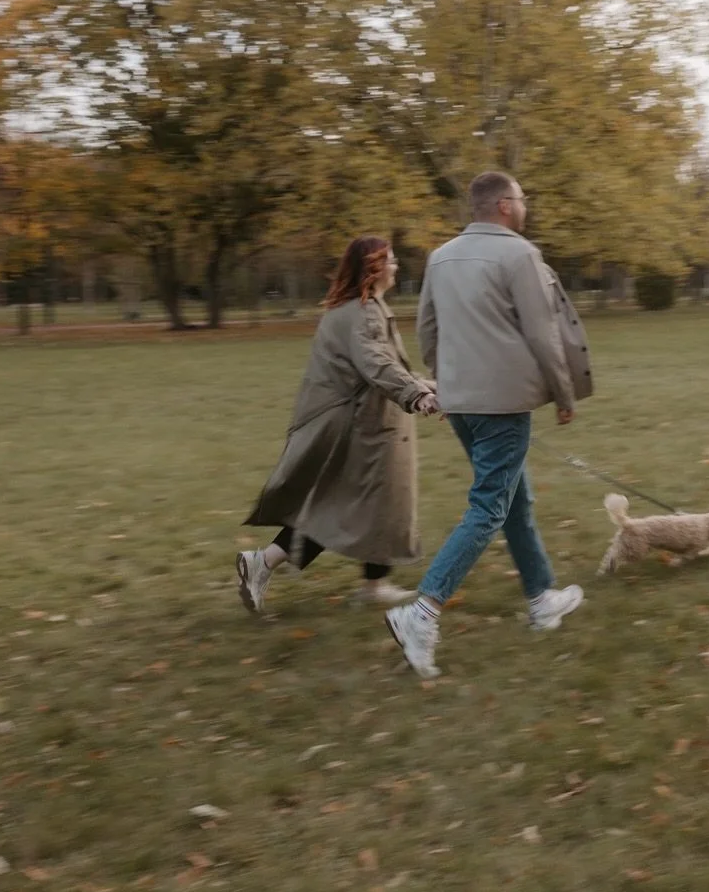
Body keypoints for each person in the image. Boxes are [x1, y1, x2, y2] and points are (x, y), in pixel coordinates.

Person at [385, 171, 593, 678]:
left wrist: (445, 383)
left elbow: (427, 329)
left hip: (460, 401)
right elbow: (543, 336)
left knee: (514, 498)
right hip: (502, 402)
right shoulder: (520, 255)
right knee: (489, 508)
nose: (524, 207)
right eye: (521, 199)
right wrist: (564, 395)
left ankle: (542, 596)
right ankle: (423, 613)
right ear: (503, 205)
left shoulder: (439, 257)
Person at [237, 236, 440, 614]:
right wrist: (417, 395)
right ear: (374, 267)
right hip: (361, 428)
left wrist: (424, 384)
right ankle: (263, 563)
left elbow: (386, 364)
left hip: (364, 422)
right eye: (391, 261)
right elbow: (376, 364)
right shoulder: (362, 312)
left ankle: (372, 583)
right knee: (342, 509)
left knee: (361, 506)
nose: (397, 267)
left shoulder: (361, 308)